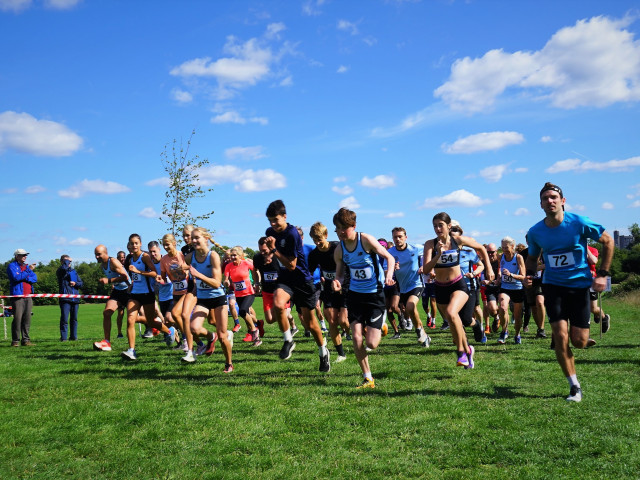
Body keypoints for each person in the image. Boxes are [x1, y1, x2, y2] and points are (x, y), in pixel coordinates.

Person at [524, 182, 613, 402]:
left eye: (554, 197)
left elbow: (608, 241)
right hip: (553, 287)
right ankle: (574, 386)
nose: (550, 201)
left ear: (562, 201)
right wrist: (529, 274)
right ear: (541, 204)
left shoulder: (579, 223)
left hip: (579, 287)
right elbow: (533, 258)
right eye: (545, 198)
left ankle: (582, 333)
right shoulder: (535, 232)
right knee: (561, 336)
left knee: (579, 342)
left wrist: (602, 274)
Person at [332, 208, 395, 388]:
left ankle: (381, 324)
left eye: (345, 228)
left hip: (374, 295)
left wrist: (389, 275)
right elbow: (340, 275)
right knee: (356, 338)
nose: (341, 232)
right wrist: (337, 282)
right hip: (354, 296)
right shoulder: (339, 249)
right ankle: (368, 377)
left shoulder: (365, 240)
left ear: (354, 226)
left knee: (372, 344)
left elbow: (389, 257)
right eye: (338, 228)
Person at [264, 199, 330, 372]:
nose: (273, 224)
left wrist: (273, 250)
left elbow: (292, 265)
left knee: (311, 324)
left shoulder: (292, 234)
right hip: (285, 280)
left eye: (275, 220)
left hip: (302, 280)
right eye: (270, 220)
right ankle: (288, 340)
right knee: (278, 305)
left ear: (284, 217)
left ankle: (323, 351)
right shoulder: (270, 231)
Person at [423, 213, 494, 369]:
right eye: (435, 226)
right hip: (440, 287)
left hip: (458, 285)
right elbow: (427, 269)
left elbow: (480, 247)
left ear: (449, 226)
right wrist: (438, 254)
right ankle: (468, 351)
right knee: (455, 322)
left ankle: (461, 352)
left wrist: (488, 267)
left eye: (440, 225)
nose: (437, 229)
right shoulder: (430, 244)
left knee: (451, 313)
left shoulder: (458, 241)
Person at [121, 234, 176, 361]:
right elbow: (133, 276)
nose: (134, 245)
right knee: (130, 319)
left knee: (151, 322)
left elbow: (154, 273)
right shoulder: (129, 258)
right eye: (131, 243)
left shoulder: (145, 257)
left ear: (140, 244)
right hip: (134, 294)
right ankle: (131, 350)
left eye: (136, 243)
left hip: (147, 294)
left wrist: (138, 272)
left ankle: (168, 331)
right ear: (128, 245)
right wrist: (131, 284)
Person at [185, 227, 233, 370]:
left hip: (218, 298)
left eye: (197, 238)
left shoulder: (213, 256)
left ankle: (228, 363)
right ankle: (211, 337)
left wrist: (198, 275)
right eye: (192, 238)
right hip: (203, 298)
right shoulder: (190, 257)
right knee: (194, 328)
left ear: (205, 239)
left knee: (223, 336)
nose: (193, 241)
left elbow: (217, 282)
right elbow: (183, 266)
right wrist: (177, 271)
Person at [308, 221, 349, 363]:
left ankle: (367, 331)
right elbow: (309, 271)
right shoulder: (314, 254)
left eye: (319, 239)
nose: (317, 242)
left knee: (344, 321)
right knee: (331, 320)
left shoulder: (338, 247)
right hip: (328, 290)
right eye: (314, 240)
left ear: (326, 235)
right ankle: (341, 353)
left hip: (344, 288)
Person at [387, 227, 430, 347]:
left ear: (406, 237)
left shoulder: (415, 248)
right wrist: (392, 270)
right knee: (410, 309)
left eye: (400, 236)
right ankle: (423, 334)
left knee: (411, 306)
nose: (398, 239)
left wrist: (425, 266)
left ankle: (419, 331)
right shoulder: (390, 253)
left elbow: (430, 251)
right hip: (402, 287)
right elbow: (386, 271)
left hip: (416, 283)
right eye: (395, 237)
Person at [223, 246, 261, 347]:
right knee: (245, 314)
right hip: (238, 294)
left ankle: (254, 331)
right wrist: (226, 282)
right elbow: (226, 278)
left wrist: (257, 283)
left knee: (243, 311)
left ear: (241, 256)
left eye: (235, 255)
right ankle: (258, 325)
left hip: (249, 292)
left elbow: (255, 270)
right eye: (231, 255)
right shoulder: (229, 266)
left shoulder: (246, 263)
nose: (233, 257)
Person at [94, 245, 130, 352]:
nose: (96, 257)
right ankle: (107, 342)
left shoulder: (113, 262)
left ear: (106, 253)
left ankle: (166, 329)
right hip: (117, 291)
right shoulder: (102, 265)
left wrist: (109, 281)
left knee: (139, 318)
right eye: (95, 254)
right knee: (107, 313)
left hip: (128, 290)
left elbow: (125, 277)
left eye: (99, 254)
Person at [497, 237, 526, 345]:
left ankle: (517, 334)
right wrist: (498, 278)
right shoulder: (500, 256)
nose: (504, 249)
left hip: (517, 288)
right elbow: (499, 270)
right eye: (502, 247)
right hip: (505, 287)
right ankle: (504, 331)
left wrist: (511, 275)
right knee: (503, 307)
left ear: (512, 246)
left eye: (506, 247)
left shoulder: (518, 257)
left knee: (518, 316)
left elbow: (523, 276)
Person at [7, 249, 37, 346]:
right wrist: (28, 271)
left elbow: (34, 278)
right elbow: (16, 278)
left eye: (25, 255)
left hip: (28, 296)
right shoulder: (12, 266)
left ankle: (26, 340)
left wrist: (25, 276)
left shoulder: (27, 267)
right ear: (17, 256)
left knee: (27, 319)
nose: (25, 256)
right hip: (18, 296)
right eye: (23, 255)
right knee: (17, 319)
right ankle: (15, 341)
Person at [56, 255, 84, 342]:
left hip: (75, 299)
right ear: (62, 261)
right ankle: (64, 338)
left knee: (74, 319)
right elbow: (64, 268)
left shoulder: (73, 272)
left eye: (70, 261)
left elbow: (81, 283)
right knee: (64, 319)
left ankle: (73, 337)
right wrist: (66, 261)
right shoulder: (61, 271)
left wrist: (75, 284)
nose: (69, 263)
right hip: (65, 299)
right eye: (66, 261)